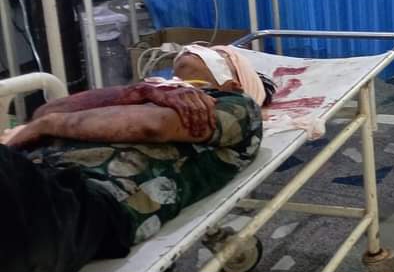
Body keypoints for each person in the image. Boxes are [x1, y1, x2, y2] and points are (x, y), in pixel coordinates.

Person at [0, 45, 274, 272]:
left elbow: (153, 126)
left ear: (234, 82)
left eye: (219, 53)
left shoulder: (236, 106)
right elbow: (46, 112)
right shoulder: (151, 96)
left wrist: (46, 127)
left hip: (84, 200)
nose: (193, 49)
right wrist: (137, 92)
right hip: (36, 178)